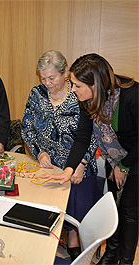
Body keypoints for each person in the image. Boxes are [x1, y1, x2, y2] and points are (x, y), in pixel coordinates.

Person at [42, 53, 138, 264]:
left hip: (135, 157)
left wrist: (124, 165)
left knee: (129, 211)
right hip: (117, 159)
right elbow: (83, 137)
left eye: (77, 85)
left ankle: (127, 260)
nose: (73, 90)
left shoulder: (131, 95)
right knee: (114, 205)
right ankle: (111, 256)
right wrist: (68, 169)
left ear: (94, 84)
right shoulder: (89, 100)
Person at [21, 50, 101, 261]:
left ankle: (76, 239)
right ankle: (48, 241)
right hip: (48, 165)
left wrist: (82, 163)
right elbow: (27, 128)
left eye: (52, 78)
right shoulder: (37, 93)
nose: (47, 83)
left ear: (65, 72)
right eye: (43, 78)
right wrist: (39, 153)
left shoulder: (80, 93)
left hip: (79, 162)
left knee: (78, 195)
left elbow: (93, 133)